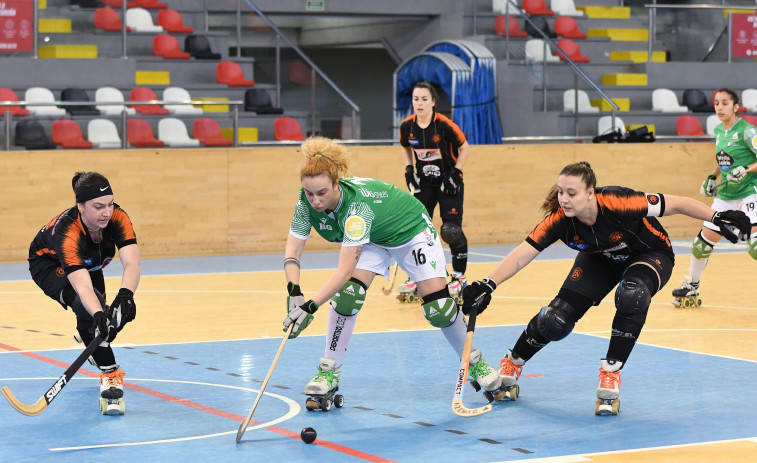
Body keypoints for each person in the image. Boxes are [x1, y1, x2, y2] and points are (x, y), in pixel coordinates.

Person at [462, 161, 751, 415]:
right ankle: (513, 362)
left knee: (632, 295)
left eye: (571, 193)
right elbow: (523, 253)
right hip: (599, 260)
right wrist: (488, 284)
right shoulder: (560, 221)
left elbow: (674, 203)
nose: (563, 199)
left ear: (590, 193)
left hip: (649, 254)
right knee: (555, 318)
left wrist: (715, 218)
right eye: (561, 191)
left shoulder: (618, 201)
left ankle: (610, 373)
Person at [282, 137, 501, 410]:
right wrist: (294, 291)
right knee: (348, 296)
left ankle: (476, 364)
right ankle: (329, 370)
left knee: (440, 309)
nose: (315, 200)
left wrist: (310, 307)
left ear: (337, 183)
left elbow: (343, 270)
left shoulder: (355, 209)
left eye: (322, 193)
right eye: (309, 193)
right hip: (374, 238)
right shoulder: (305, 203)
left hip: (409, 230)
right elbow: (292, 253)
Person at [28, 172, 140, 415]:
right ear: (80, 206)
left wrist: (125, 295)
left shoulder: (119, 218)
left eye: (110, 204)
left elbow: (132, 264)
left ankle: (88, 339)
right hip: (48, 264)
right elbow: (82, 288)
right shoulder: (67, 232)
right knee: (91, 309)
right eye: (98, 206)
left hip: (90, 264)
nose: (106, 212)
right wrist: (100, 313)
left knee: (107, 319)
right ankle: (110, 375)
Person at [671, 88, 757, 307]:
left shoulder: (747, 132)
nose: (720, 107)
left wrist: (746, 169)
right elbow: (723, 160)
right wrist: (712, 177)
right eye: (717, 103)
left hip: (749, 193)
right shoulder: (719, 130)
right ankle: (692, 286)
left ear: (736, 107)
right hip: (726, 195)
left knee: (755, 247)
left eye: (725, 103)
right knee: (702, 244)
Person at [398, 81, 470, 302]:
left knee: (450, 231)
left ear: (433, 102)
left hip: (448, 180)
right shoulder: (407, 126)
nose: (419, 103)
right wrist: (409, 170)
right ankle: (418, 275)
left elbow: (465, 147)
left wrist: (456, 173)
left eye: (424, 99)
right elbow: (405, 147)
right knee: (417, 230)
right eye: (416, 99)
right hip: (425, 183)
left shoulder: (445, 125)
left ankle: (459, 276)